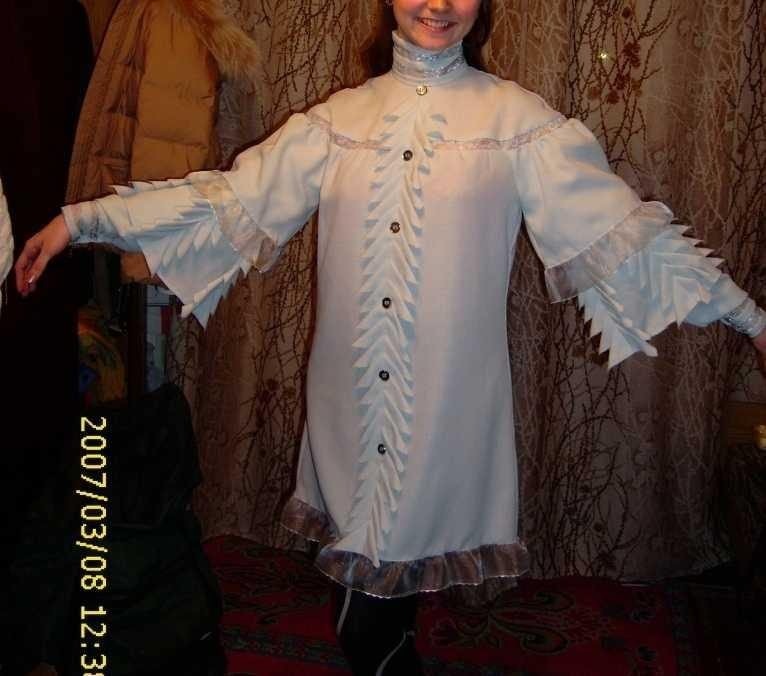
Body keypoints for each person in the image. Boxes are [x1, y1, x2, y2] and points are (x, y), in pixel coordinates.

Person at [15, 0, 766, 673]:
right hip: (346, 397)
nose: (437, 5)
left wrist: (751, 320)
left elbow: (622, 235)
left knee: (374, 601)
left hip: (448, 406)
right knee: (372, 594)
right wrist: (83, 221)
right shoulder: (338, 121)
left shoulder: (518, 123)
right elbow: (225, 202)